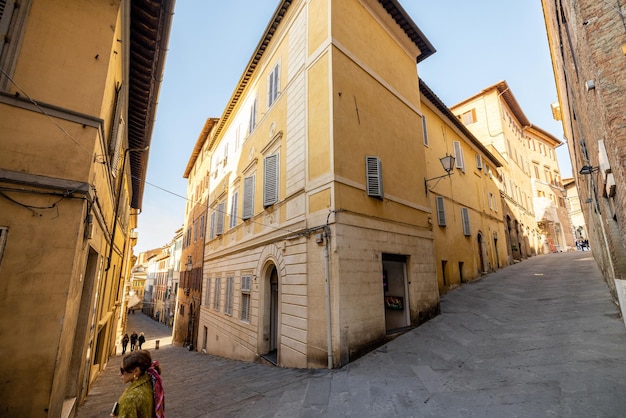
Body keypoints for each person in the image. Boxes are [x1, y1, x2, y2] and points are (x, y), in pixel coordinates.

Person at [113, 350, 164, 417]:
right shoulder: (151, 383)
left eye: (122, 370)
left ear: (136, 371)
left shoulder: (129, 399)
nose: (119, 374)